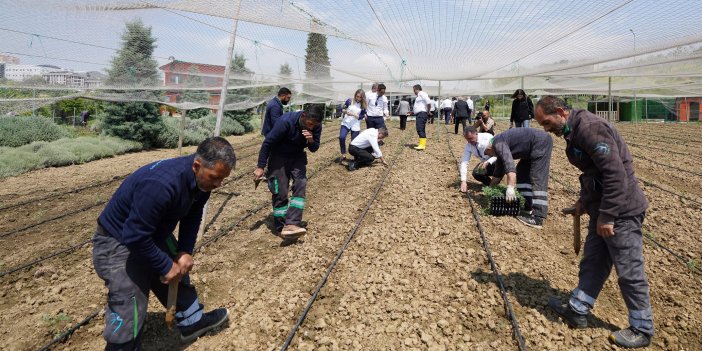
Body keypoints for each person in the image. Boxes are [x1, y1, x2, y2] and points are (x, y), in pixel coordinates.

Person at [93, 137, 235, 350]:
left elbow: (192, 214)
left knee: (179, 269)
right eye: (215, 177)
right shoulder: (161, 185)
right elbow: (134, 236)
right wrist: (164, 265)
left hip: (150, 233)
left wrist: (185, 250)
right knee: (129, 301)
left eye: (222, 179)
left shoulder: (200, 182)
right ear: (197, 165)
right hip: (118, 241)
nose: (218, 184)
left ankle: (192, 322)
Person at [534, 96, 653, 349]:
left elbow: (615, 174)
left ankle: (642, 328)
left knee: (629, 269)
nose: (545, 128)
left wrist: (609, 215)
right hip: (601, 208)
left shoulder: (589, 128)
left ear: (560, 112)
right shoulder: (573, 130)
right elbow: (593, 173)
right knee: (594, 260)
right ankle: (578, 307)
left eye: (546, 122)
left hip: (621, 211)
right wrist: (583, 202)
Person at [254, 105, 323, 240]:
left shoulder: (316, 126)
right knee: (280, 191)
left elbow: (314, 148)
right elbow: (267, 143)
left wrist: (311, 140)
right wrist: (260, 166)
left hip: (297, 156)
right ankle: (280, 227)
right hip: (278, 156)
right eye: (310, 124)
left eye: (314, 125)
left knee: (300, 184)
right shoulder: (286, 122)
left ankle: (292, 224)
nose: (311, 127)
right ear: (303, 116)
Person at [483, 127, 553, 228]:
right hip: (529, 151)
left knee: (537, 177)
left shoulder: (498, 143)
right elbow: (498, 174)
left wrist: (510, 188)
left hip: (540, 142)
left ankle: (538, 217)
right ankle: (527, 206)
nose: (489, 156)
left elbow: (509, 165)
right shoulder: (499, 147)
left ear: (489, 148)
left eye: (487, 153)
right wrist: (489, 189)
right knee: (522, 172)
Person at [459, 126, 497, 191]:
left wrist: (488, 162)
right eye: (467, 139)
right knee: (476, 173)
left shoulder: (488, 137)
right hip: (485, 162)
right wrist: (463, 181)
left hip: (497, 161)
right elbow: (464, 162)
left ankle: (499, 178)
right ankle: (492, 186)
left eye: (471, 138)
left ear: (476, 133)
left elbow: (498, 154)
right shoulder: (468, 145)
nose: (469, 141)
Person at [338, 90, 367, 163]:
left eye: (360, 97)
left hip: (355, 125)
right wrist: (345, 111)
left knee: (354, 143)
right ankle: (343, 154)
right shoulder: (349, 101)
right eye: (357, 96)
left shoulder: (363, 106)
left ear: (362, 98)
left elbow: (361, 117)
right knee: (342, 137)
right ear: (355, 95)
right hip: (346, 123)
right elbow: (342, 109)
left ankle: (355, 158)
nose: (358, 98)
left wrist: (353, 114)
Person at [408, 84, 431, 150]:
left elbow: (428, 102)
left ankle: (422, 145)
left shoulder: (421, 93)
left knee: (420, 128)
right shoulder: (419, 96)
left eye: (414, 90)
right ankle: (422, 144)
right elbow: (419, 106)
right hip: (420, 114)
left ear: (416, 89)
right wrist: (412, 112)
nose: (413, 92)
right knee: (421, 129)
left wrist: (428, 111)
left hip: (422, 114)